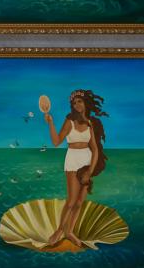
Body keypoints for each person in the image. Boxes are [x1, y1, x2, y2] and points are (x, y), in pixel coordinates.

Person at [44, 89, 108, 248]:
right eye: (74, 103)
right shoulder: (69, 121)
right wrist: (51, 123)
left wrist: (90, 170)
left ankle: (69, 232)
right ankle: (59, 230)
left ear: (85, 102)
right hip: (72, 159)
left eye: (79, 101)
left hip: (86, 161)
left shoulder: (90, 123)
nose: (77, 105)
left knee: (79, 202)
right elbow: (56, 142)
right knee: (71, 200)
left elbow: (94, 149)